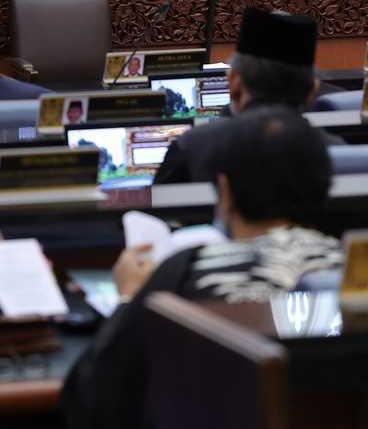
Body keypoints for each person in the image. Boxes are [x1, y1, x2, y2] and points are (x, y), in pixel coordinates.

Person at [64, 106, 342, 429]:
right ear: (325, 187)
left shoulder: (186, 271)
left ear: (224, 192)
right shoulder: (353, 271)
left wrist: (129, 299)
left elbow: (94, 397)